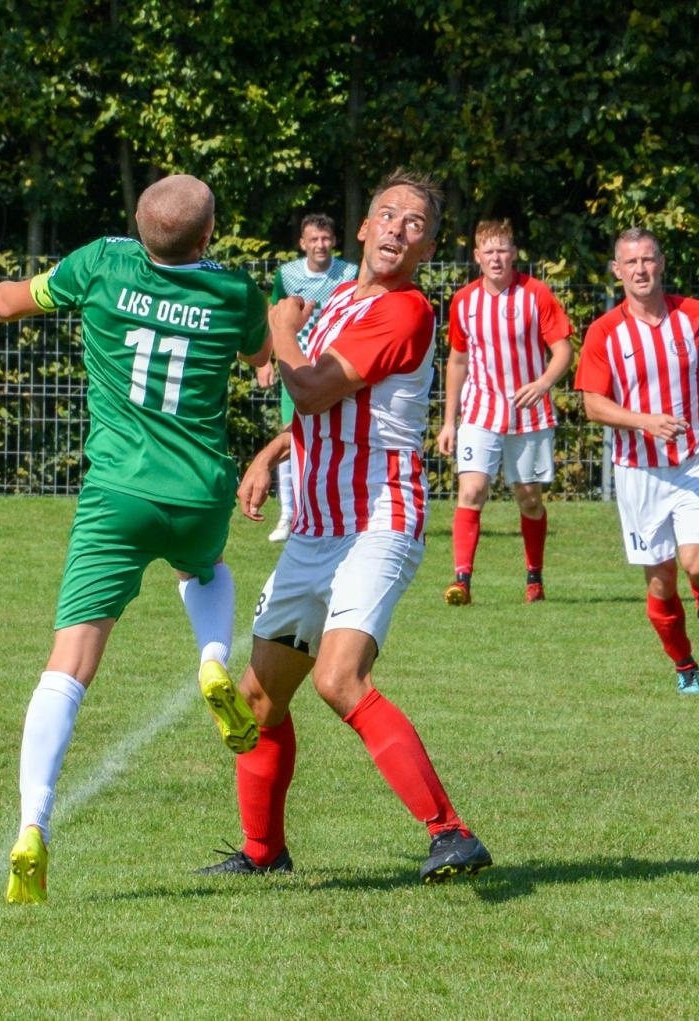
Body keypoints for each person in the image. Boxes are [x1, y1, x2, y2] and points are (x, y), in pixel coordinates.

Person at [0, 174, 271, 903]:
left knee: (67, 666)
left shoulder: (101, 264)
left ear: (137, 223)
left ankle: (33, 825)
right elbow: (262, 360)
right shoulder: (235, 293)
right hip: (197, 490)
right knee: (206, 571)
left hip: (117, 494)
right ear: (209, 235)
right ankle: (214, 659)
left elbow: (8, 301)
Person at [200, 170, 492, 883]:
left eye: (414, 223)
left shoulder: (407, 311)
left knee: (339, 677)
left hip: (378, 516)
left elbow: (308, 385)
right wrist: (270, 455)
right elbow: (313, 410)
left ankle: (452, 833)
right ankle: (264, 852)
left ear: (429, 245)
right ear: (362, 229)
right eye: (386, 214)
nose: (397, 227)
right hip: (316, 523)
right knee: (259, 700)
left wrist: (277, 326)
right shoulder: (336, 303)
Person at [573, 227, 699, 695]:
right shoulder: (605, 331)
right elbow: (592, 404)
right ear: (617, 271)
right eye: (631, 263)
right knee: (662, 582)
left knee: (698, 564)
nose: (640, 270)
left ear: (661, 263)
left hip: (694, 460)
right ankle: (684, 665)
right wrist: (644, 421)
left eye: (648, 260)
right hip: (638, 470)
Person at [435, 219, 574, 606]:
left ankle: (534, 577)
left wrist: (543, 383)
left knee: (529, 499)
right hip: (480, 411)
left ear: (513, 254)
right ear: (477, 257)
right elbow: (458, 361)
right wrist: (449, 421)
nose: (496, 258)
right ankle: (461, 580)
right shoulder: (464, 300)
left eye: (502, 250)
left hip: (528, 414)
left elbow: (563, 349)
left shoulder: (536, 294)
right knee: (472, 489)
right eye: (488, 251)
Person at [256, 214, 358, 542]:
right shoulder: (288, 275)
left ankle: (332, 509)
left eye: (326, 238)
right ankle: (288, 515)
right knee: (291, 435)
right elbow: (275, 316)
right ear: (303, 243)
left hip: (335, 365)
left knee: (338, 436)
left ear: (334, 241)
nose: (320, 245)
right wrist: (265, 362)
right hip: (296, 364)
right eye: (313, 239)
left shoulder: (350, 274)